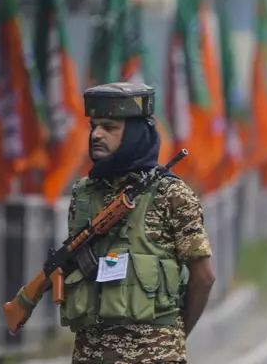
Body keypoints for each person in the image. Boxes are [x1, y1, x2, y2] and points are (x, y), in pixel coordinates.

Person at [61, 82, 216, 364]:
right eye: (94, 126)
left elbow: (203, 277)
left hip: (153, 356)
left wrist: (173, 338)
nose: (96, 134)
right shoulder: (83, 193)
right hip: (90, 356)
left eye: (109, 128)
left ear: (134, 134)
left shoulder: (172, 194)